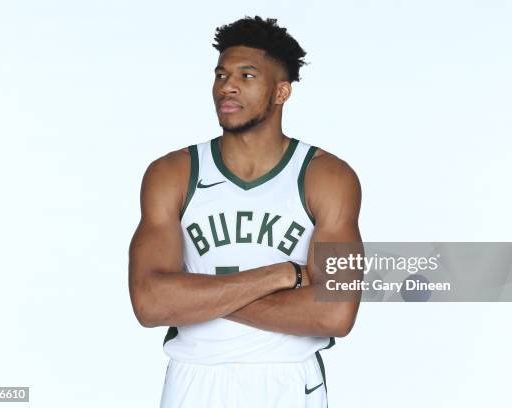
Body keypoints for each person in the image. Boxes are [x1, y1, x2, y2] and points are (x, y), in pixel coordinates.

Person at [128, 15, 362, 408]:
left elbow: (336, 312)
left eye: (247, 75)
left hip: (288, 379)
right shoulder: (172, 173)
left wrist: (197, 298)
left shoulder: (327, 177)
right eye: (221, 75)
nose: (228, 86)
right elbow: (150, 304)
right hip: (194, 379)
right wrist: (282, 275)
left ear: (281, 92)